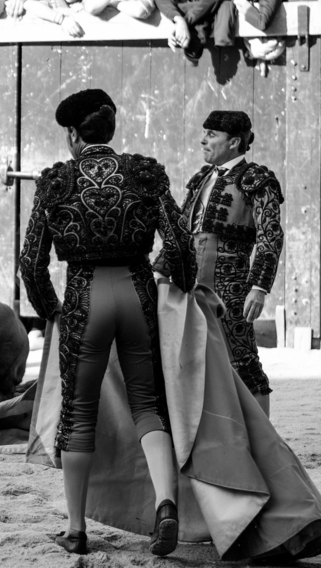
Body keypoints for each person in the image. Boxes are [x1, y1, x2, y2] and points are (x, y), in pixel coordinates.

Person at [19, 88, 194, 557]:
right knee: (147, 404)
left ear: (74, 136)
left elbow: (31, 263)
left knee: (79, 413)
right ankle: (165, 505)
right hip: (136, 292)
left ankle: (76, 530)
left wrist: (51, 308)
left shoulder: (56, 182)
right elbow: (179, 243)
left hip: (84, 295)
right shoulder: (143, 173)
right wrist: (178, 285)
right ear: (110, 131)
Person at [154, 111, 282, 418]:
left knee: (242, 359)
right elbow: (182, 233)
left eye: (212, 134)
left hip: (232, 286)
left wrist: (259, 286)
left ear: (234, 142)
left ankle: (261, 437)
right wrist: (159, 271)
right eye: (205, 132)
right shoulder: (201, 178)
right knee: (190, 359)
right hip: (190, 284)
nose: (203, 140)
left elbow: (270, 236)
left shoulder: (257, 181)